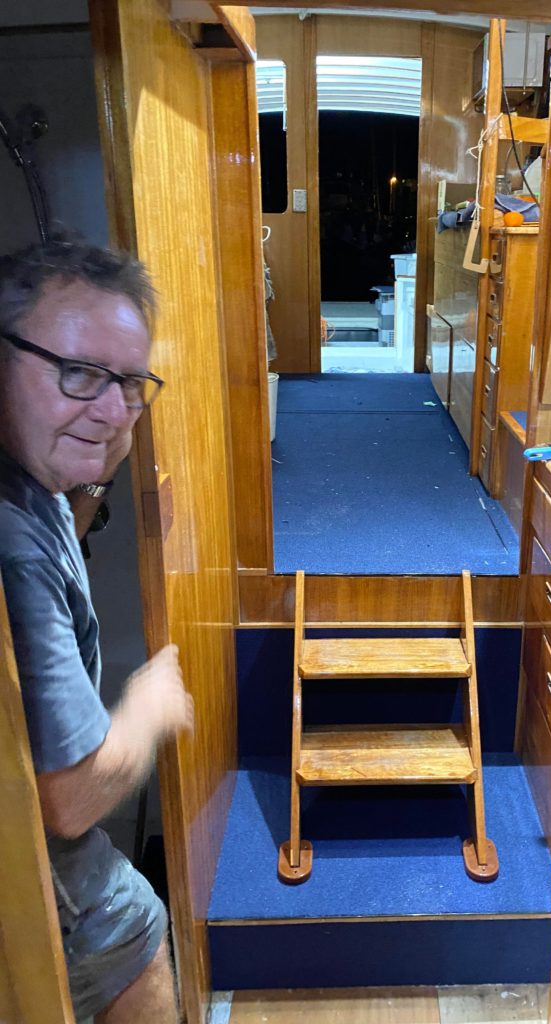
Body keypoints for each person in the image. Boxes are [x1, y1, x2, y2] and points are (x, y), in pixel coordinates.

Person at [0, 238, 194, 1023]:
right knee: (134, 921)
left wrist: (90, 473)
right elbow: (73, 800)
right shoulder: (14, 550)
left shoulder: (34, 475)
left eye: (130, 383)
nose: (115, 412)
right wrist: (149, 705)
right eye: (78, 372)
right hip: (44, 881)